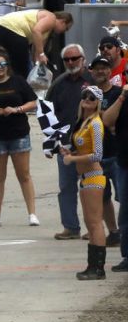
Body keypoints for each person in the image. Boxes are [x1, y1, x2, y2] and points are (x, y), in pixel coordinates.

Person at [0, 47, 38, 227]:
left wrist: (16, 109)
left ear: (7, 66)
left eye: (2, 64)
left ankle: (32, 213)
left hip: (18, 134)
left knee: (24, 174)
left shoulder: (18, 82)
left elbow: (33, 102)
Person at [46, 44, 93, 240]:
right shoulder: (58, 84)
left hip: (89, 145)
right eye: (67, 59)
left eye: (75, 58)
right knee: (66, 188)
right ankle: (71, 227)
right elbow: (48, 114)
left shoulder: (93, 81)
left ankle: (94, 228)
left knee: (91, 188)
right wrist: (51, 143)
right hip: (65, 146)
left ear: (83, 58)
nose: (71, 62)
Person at [62, 86, 107, 280]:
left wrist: (73, 160)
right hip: (85, 178)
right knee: (90, 223)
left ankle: (98, 268)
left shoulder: (95, 123)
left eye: (92, 97)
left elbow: (97, 154)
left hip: (94, 176)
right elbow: (84, 150)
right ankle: (92, 265)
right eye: (85, 96)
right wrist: (70, 153)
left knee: (95, 223)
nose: (87, 99)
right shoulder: (84, 122)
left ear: (98, 102)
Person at [91, 57, 122, 248]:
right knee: (103, 198)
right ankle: (114, 232)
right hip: (97, 155)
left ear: (110, 71)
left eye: (104, 68)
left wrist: (104, 118)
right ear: (92, 72)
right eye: (97, 69)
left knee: (123, 196)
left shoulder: (119, 94)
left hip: (117, 154)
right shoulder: (88, 94)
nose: (100, 72)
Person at [0, 9, 73, 79]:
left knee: (2, 62)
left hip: (0, 26)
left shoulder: (46, 33)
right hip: (14, 30)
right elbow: (36, 30)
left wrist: (37, 64)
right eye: (66, 29)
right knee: (21, 70)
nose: (63, 32)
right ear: (63, 22)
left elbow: (36, 50)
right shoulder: (51, 18)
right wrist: (41, 54)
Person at [103, 81, 128, 271]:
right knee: (125, 212)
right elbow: (107, 121)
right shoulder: (120, 95)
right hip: (124, 162)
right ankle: (127, 256)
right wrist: (121, 98)